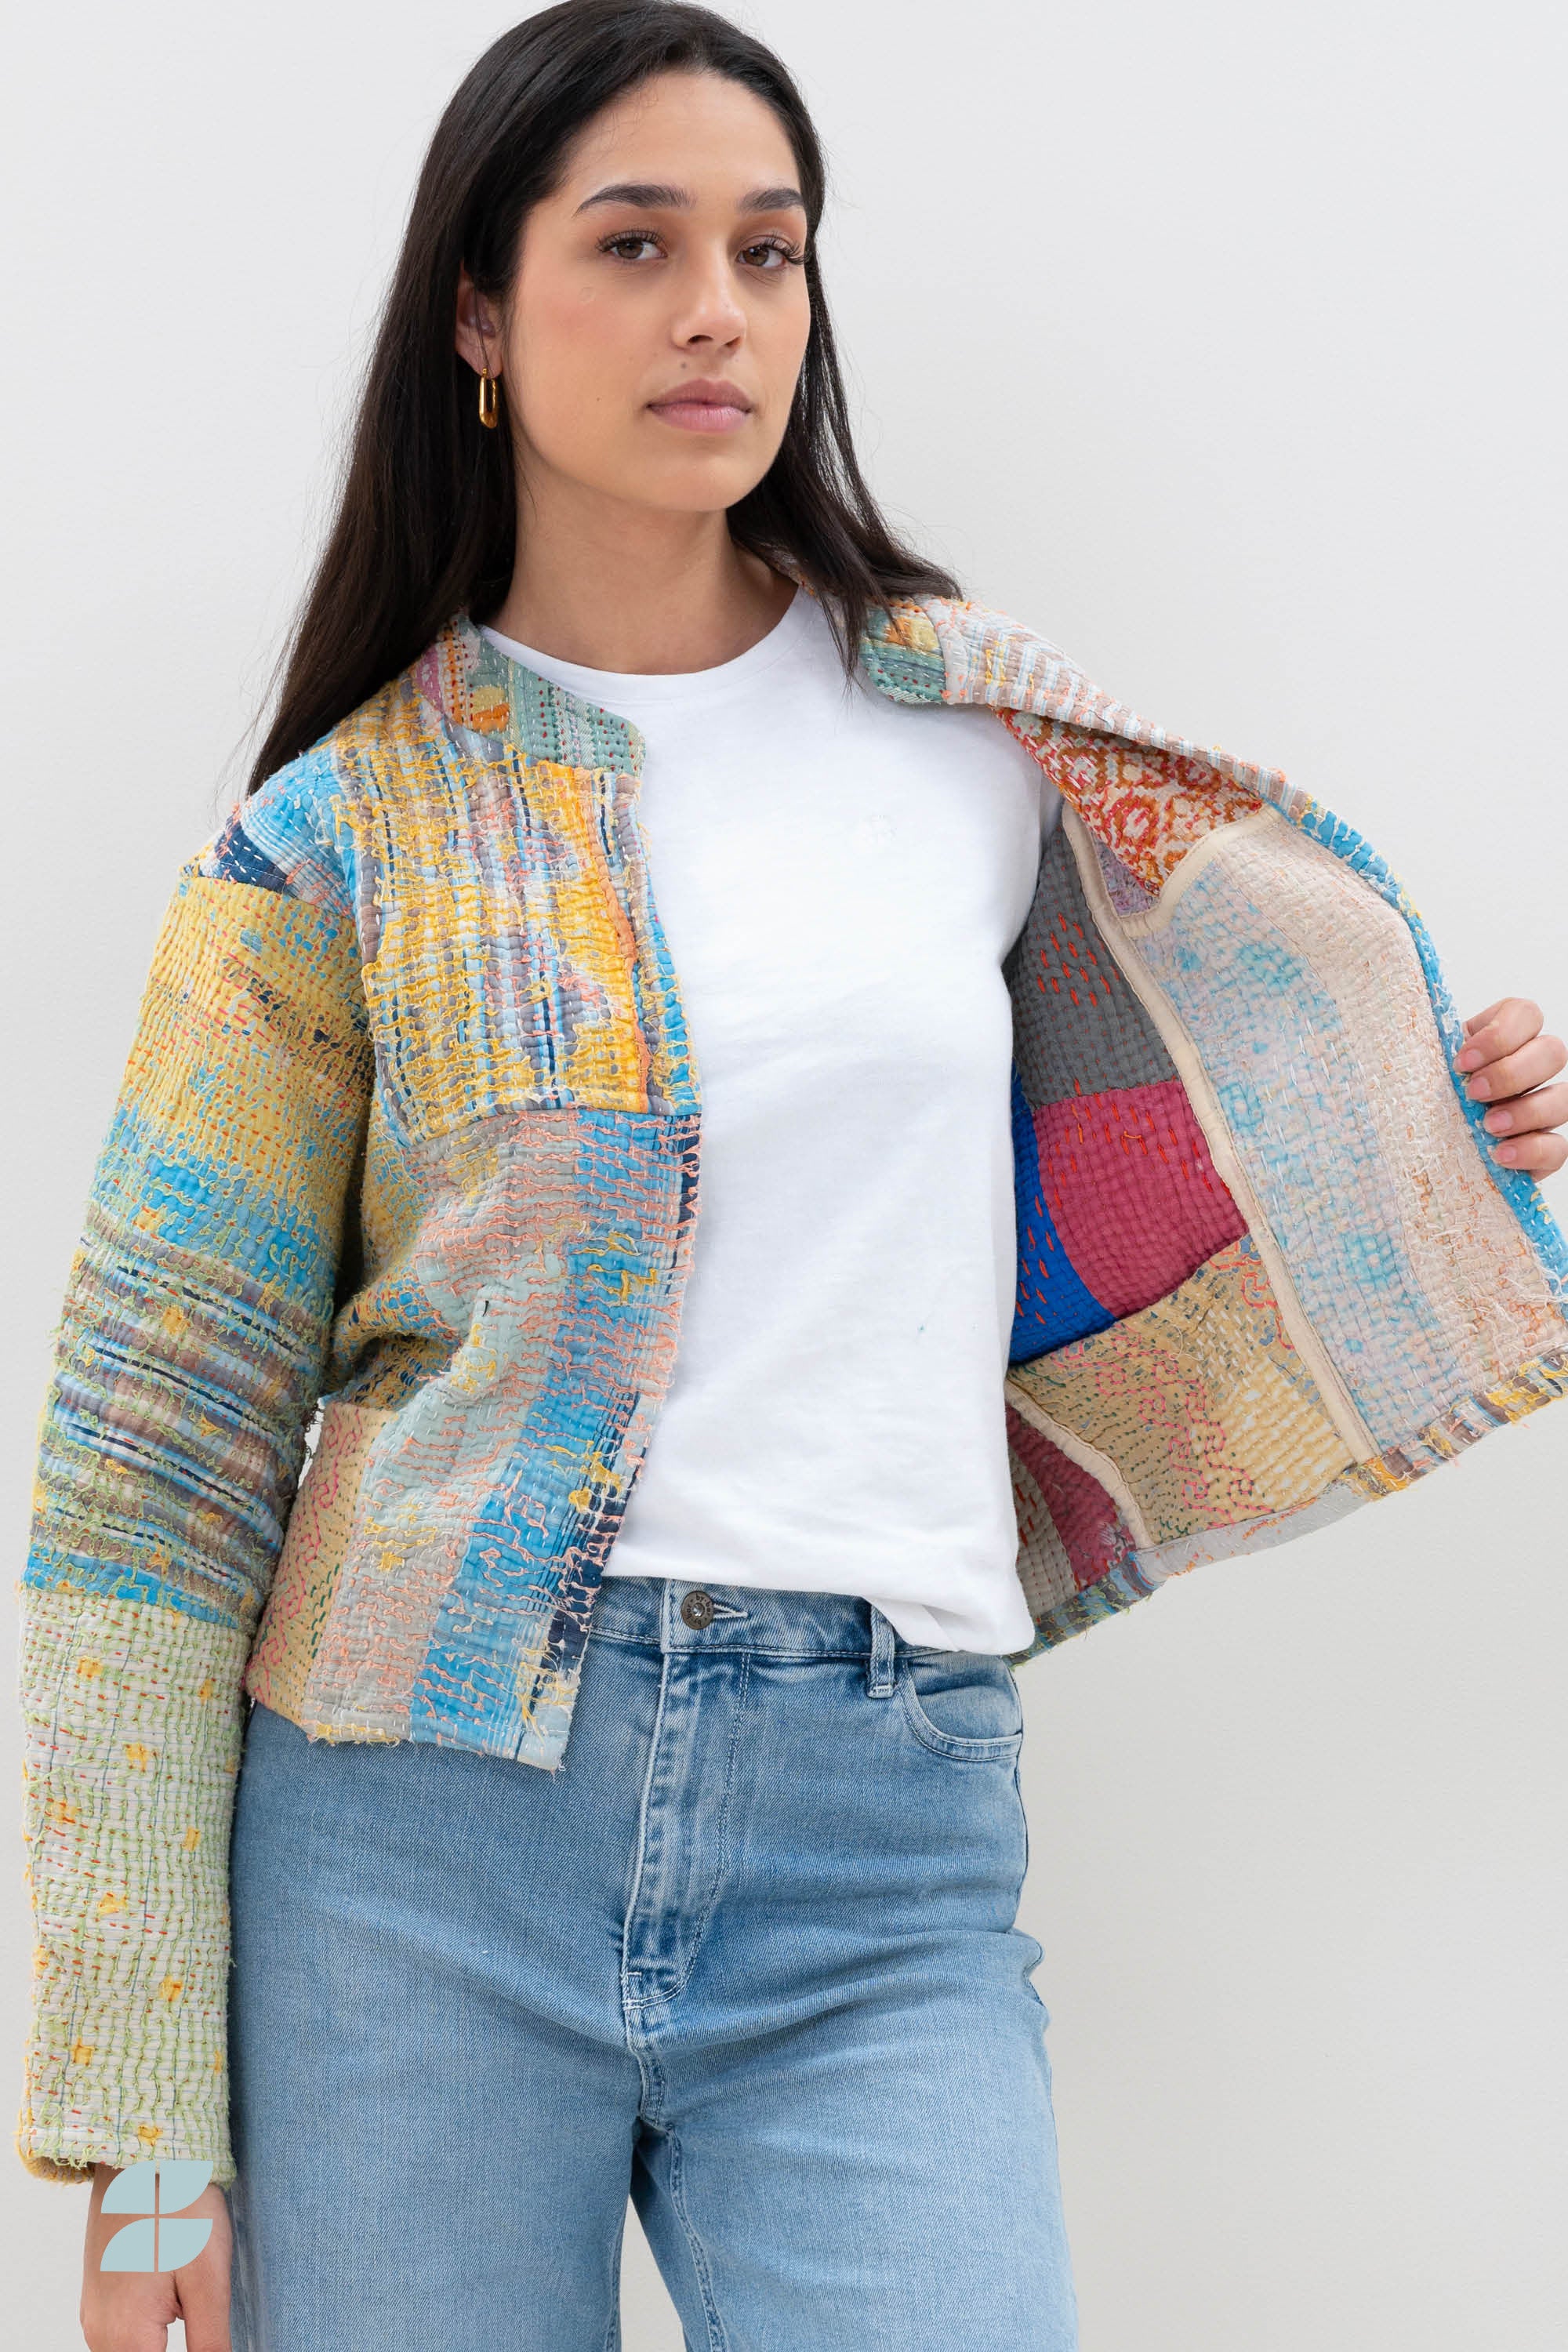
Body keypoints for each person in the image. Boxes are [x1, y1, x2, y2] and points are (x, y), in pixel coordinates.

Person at [16, 6, 1566, 2350]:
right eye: (634, 246)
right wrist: (143, 2140)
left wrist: (1439, 1125)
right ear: (479, 311)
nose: (718, 312)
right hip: (413, 1843)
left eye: (769, 249)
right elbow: (154, 1471)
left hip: (886, 1837)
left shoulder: (980, 748)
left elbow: (1182, 1130)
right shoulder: (335, 840)